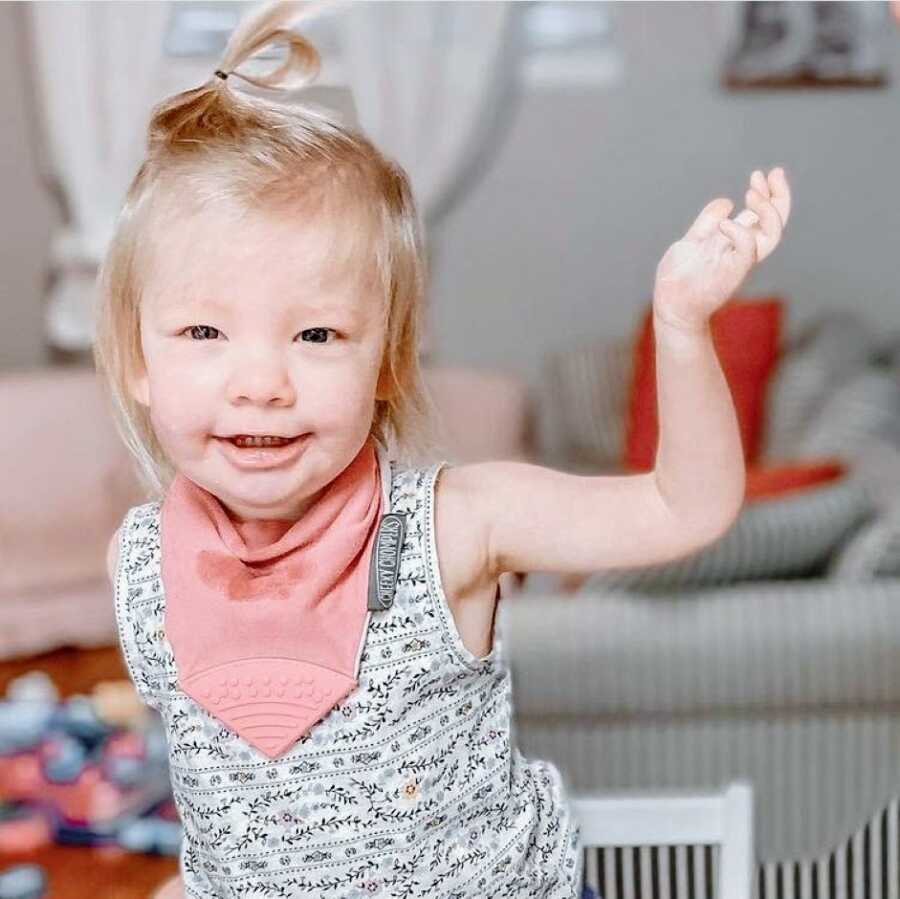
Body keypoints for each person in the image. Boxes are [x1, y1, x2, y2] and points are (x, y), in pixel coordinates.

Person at [94, 2, 791, 897]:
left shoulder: (455, 527)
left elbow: (682, 507)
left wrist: (684, 327)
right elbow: (240, 822)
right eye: (203, 331)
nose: (259, 381)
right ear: (136, 361)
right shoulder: (140, 565)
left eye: (315, 335)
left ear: (385, 358)